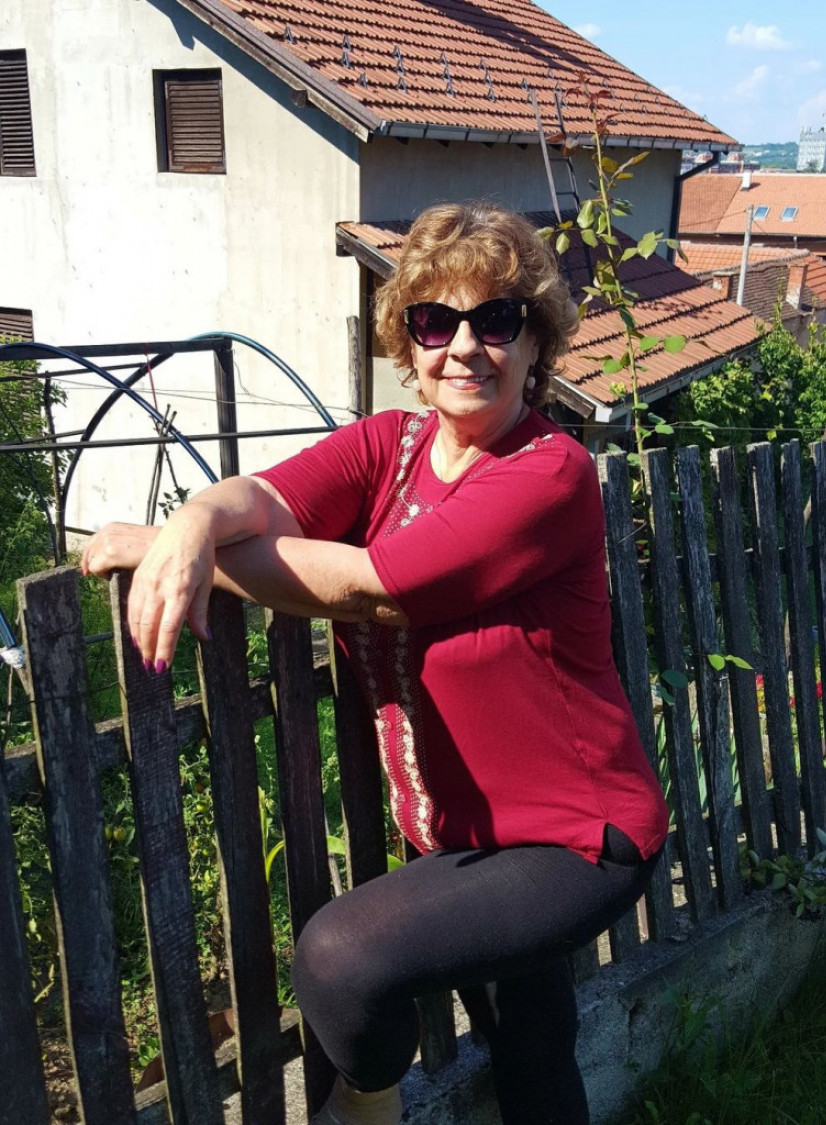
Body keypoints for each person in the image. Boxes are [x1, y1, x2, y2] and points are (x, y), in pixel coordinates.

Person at [82, 201, 669, 1125]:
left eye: (496, 319)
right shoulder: (386, 448)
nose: (464, 347)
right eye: (437, 321)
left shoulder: (548, 473)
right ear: (410, 338)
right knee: (531, 1046)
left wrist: (177, 548)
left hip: (575, 838)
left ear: (535, 340)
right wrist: (191, 521)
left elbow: (374, 588)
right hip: (468, 838)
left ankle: (368, 1109)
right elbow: (262, 499)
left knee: (341, 957)